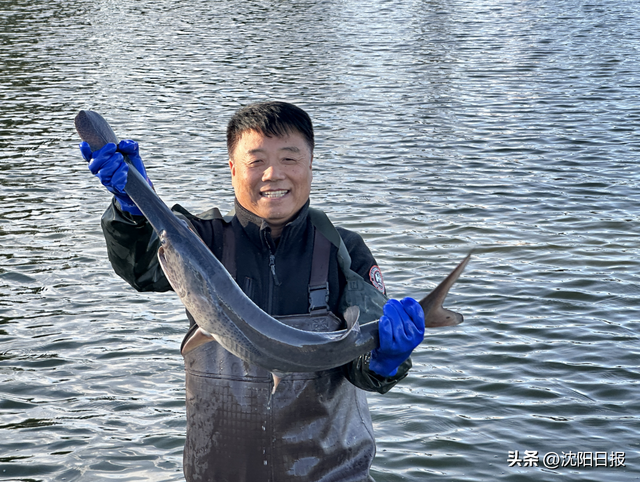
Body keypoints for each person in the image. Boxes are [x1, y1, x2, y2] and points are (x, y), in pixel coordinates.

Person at [80, 101, 425, 482]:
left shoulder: (343, 251)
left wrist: (386, 359)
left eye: (290, 158)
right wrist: (132, 210)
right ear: (232, 169)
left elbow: (365, 370)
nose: (273, 174)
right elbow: (142, 267)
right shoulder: (202, 237)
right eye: (256, 161)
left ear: (311, 164)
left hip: (333, 474)